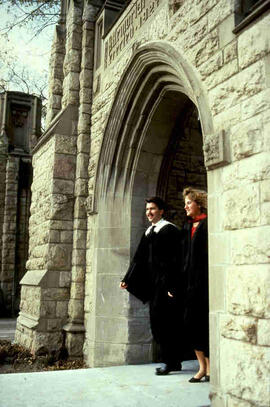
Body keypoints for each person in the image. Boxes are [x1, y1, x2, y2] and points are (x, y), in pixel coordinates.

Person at [120, 196, 185, 375]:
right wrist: (127, 278)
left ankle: (170, 361)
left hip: (166, 285)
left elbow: (177, 261)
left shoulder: (170, 231)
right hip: (155, 285)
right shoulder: (149, 232)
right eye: (147, 209)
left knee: (167, 324)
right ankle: (172, 361)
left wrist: (173, 286)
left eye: (153, 209)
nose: (149, 212)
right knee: (157, 322)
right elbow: (139, 258)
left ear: (161, 211)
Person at [182, 187, 210, 383]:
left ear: (198, 203)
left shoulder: (207, 224)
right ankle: (202, 366)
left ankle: (209, 368)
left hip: (205, 284)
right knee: (191, 323)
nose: (186, 206)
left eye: (189, 202)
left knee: (204, 325)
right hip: (190, 284)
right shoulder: (188, 227)